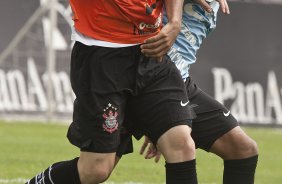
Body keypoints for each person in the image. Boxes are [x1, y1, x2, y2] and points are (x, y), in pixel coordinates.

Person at [26, 0, 199, 184]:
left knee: (181, 144)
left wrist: (175, 22)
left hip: (151, 51)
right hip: (100, 55)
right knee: (96, 169)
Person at [140, 0, 259, 184]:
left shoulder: (218, 5)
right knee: (96, 168)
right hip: (149, 76)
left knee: (243, 150)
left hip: (178, 84)